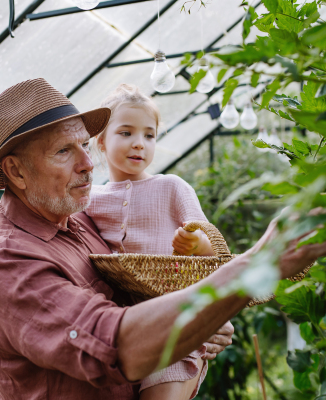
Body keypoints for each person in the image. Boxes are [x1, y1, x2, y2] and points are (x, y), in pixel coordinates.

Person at [0, 78, 326, 400]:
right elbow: (120, 346)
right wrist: (250, 268)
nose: (86, 163)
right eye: (64, 151)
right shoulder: (6, 261)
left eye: (84, 144)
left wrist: (200, 325)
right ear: (15, 171)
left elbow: (139, 305)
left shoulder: (76, 219)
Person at [85, 84, 214, 399]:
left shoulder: (172, 188)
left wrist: (196, 244)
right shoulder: (91, 199)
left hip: (176, 330)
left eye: (149, 135)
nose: (139, 144)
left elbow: (215, 251)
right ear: (101, 141)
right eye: (126, 133)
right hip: (127, 335)